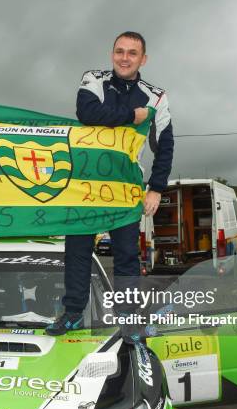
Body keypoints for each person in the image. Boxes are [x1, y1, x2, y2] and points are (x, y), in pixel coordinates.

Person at [46, 31, 174, 337]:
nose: (124, 58)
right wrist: (133, 116)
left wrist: (156, 187)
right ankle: (73, 312)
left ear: (143, 59)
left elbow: (165, 144)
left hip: (124, 187)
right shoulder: (93, 79)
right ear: (112, 53)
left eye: (132, 53)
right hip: (84, 185)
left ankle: (127, 317)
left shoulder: (157, 96)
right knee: (76, 250)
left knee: (127, 254)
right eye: (119, 51)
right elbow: (88, 113)